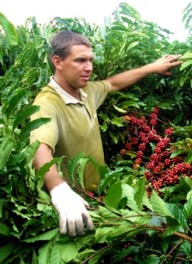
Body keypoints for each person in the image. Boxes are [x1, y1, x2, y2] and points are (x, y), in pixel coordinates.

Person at [30, 30, 182, 237]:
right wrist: (59, 191)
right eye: (80, 60)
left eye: (91, 60)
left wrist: (152, 67)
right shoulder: (47, 103)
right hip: (77, 208)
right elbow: (39, 147)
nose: (89, 67)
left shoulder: (87, 91)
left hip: (100, 197)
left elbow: (113, 83)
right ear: (58, 61)